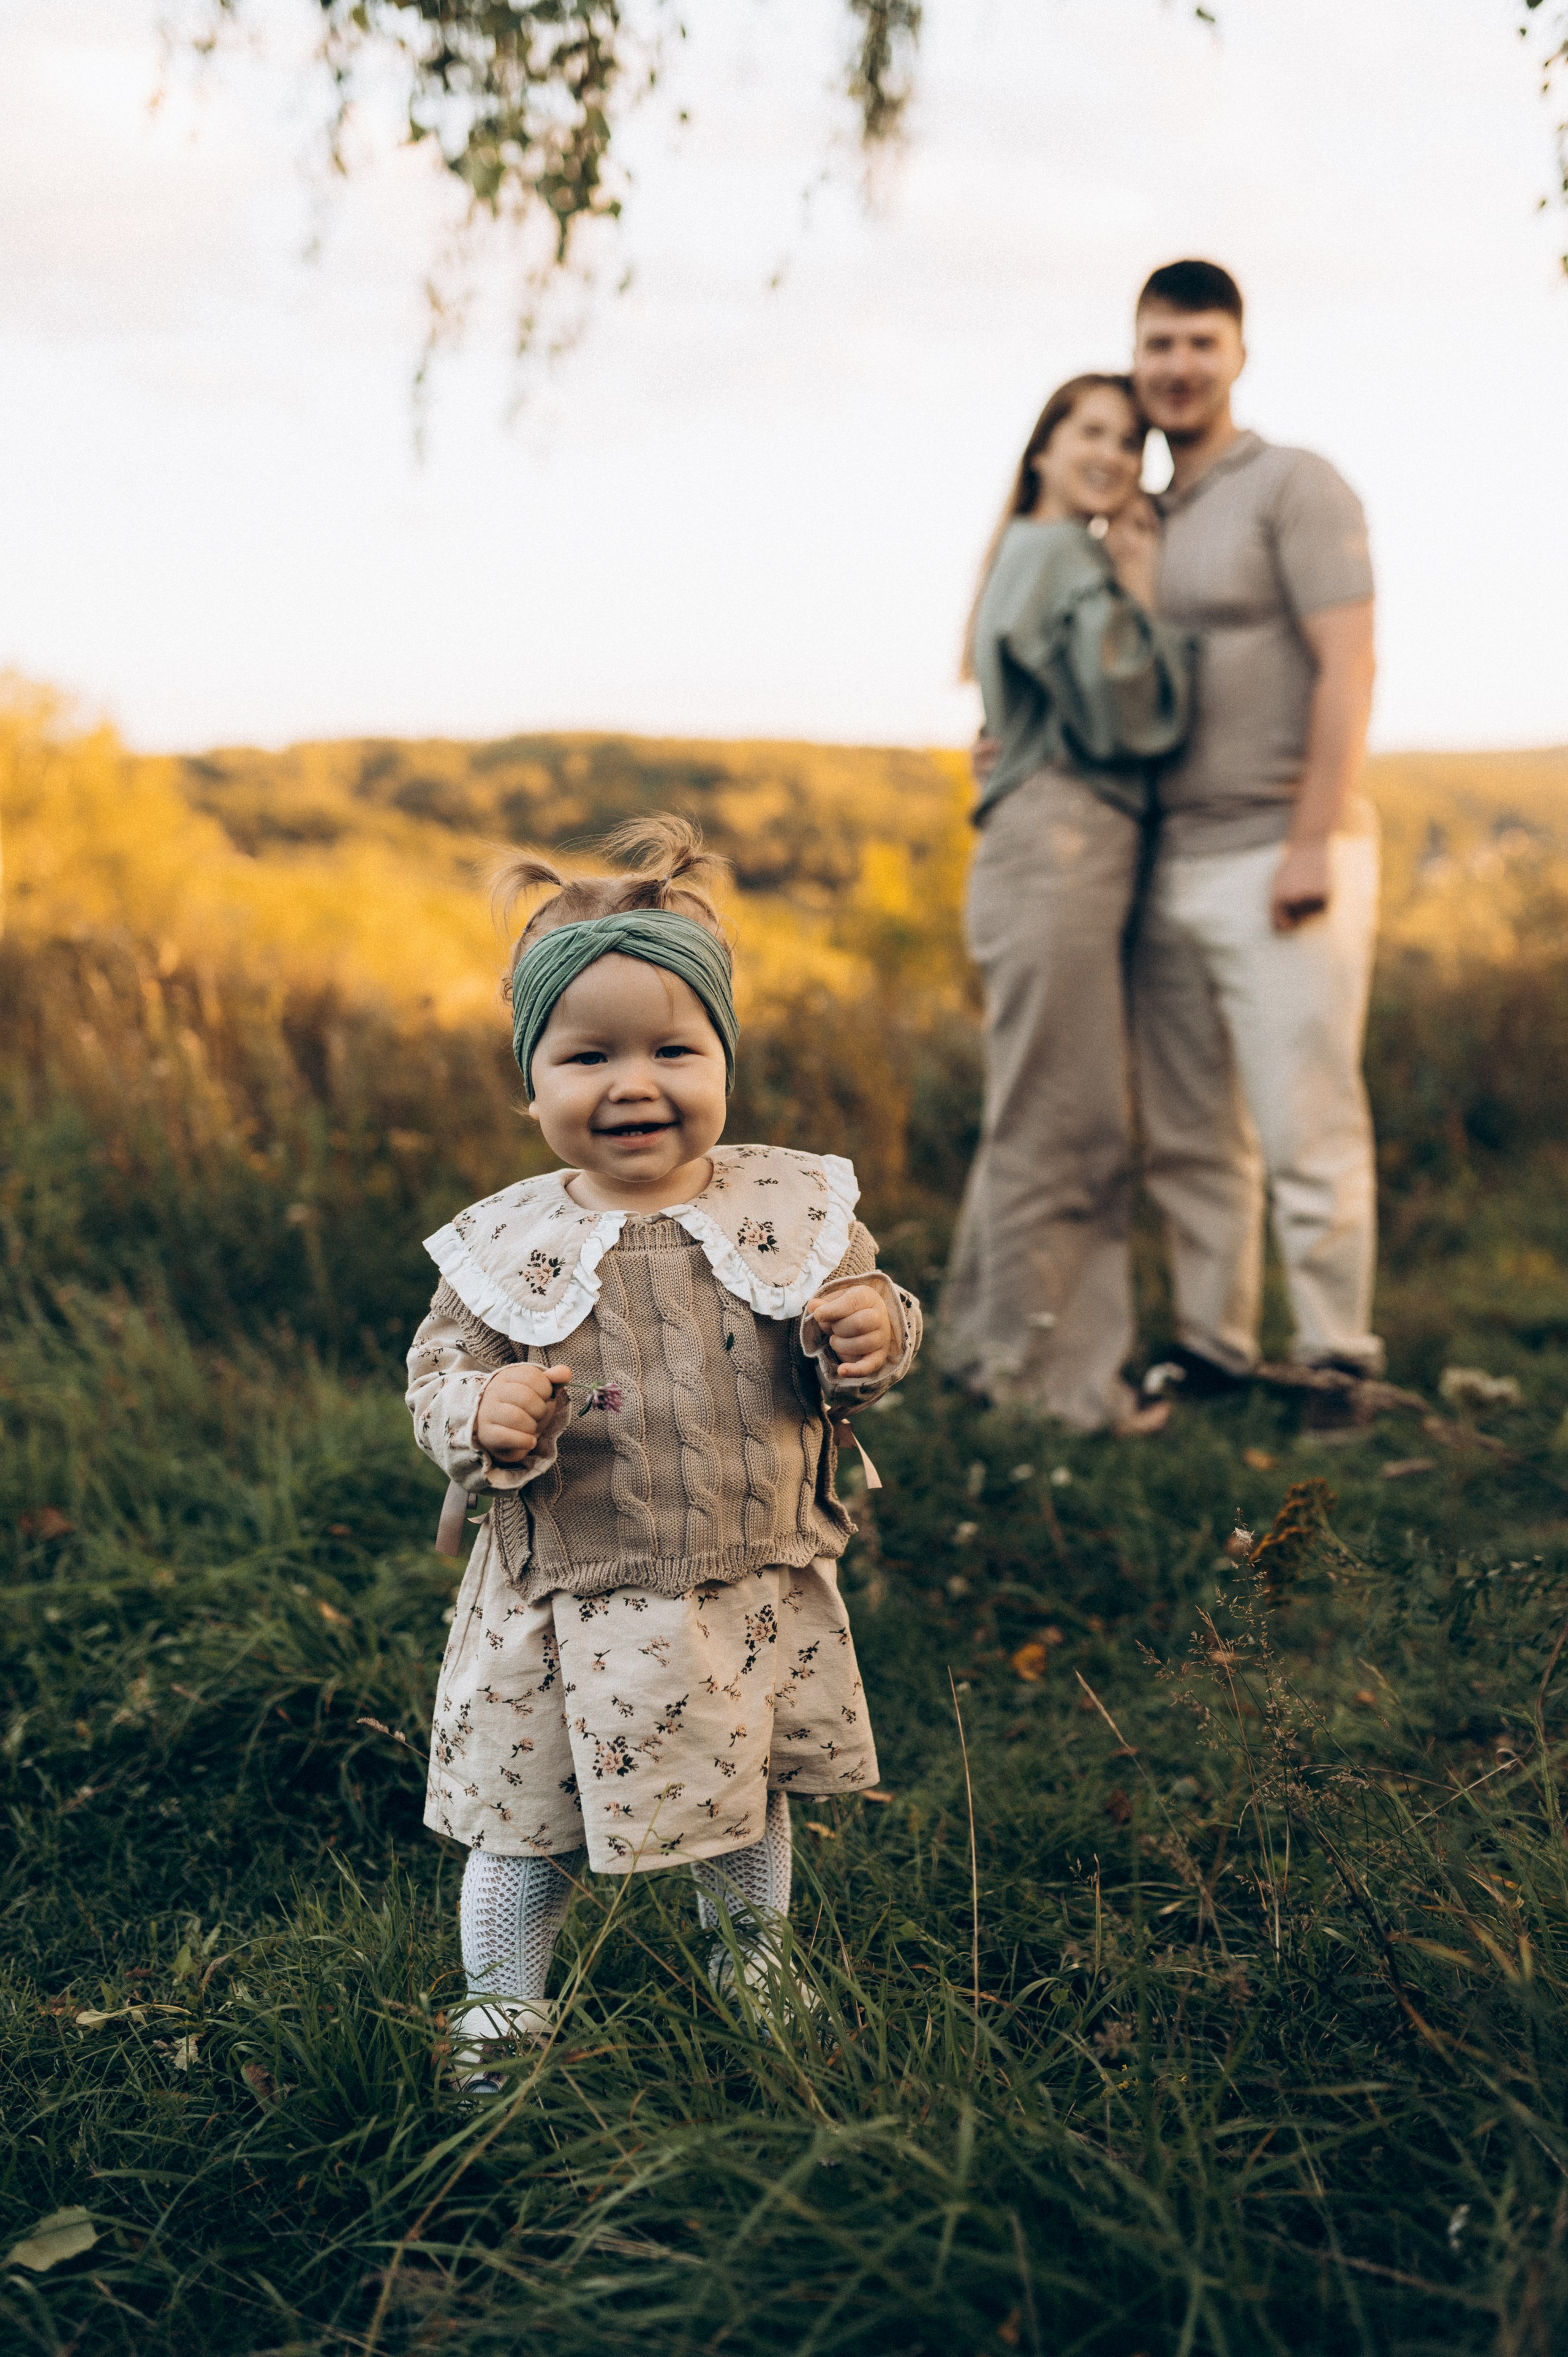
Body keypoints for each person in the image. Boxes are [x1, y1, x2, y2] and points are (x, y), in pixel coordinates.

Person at [404, 817, 921, 2091]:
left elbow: (862, 1331)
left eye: (672, 1048)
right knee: (527, 1817)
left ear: (722, 1061)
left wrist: (872, 1329)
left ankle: (752, 1956)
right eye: (587, 1055)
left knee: (747, 1793)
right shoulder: (500, 1246)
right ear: (531, 1086)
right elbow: (432, 1381)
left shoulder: (782, 1210)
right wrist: (478, 1415)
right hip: (566, 1593)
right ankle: (503, 2002)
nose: (633, 1082)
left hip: (741, 1577)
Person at [1128, 260, 1382, 1392]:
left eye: (1198, 344)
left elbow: (1349, 662)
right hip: (1163, 865)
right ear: (1136, 360)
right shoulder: (1132, 515)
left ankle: (1337, 1354)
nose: (1177, 367)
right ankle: (1215, 1346)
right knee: (1192, 1135)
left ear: (1237, 354)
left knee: (1305, 1125)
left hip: (1281, 851)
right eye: (1158, 346)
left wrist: (1313, 839)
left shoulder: (1295, 484)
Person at [938, 374, 1193, 1431]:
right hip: (1064, 848)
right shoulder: (1064, 556)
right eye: (1092, 431)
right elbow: (1135, 719)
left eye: (1131, 441)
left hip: (1039, 852)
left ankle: (982, 1346)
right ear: (1043, 448)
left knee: (1029, 1115)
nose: (1114, 453)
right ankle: (1060, 1391)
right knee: (1073, 1128)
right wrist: (1143, 586)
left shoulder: (1021, 551)